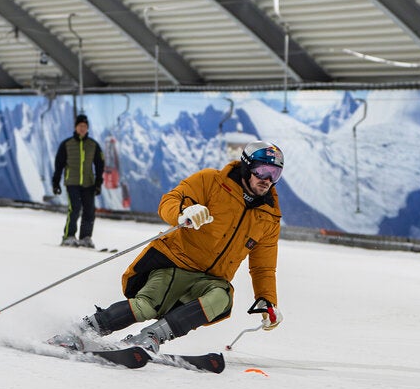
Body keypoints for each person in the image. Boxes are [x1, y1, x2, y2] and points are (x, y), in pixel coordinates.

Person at [50, 141, 285, 354]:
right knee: (146, 307)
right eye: (261, 170)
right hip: (176, 263)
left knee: (222, 297)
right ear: (246, 167)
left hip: (210, 279)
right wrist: (183, 213)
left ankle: (150, 337)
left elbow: (263, 266)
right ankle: (81, 330)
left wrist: (266, 300)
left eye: (274, 173)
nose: (266, 179)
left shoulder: (269, 215)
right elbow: (169, 202)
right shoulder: (211, 182)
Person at [52, 113, 104, 248]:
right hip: (72, 182)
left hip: (89, 183)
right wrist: (56, 182)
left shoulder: (93, 145)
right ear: (76, 127)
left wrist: (98, 183)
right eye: (80, 126)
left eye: (85, 126)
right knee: (74, 208)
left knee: (89, 210)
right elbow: (59, 164)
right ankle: (68, 236)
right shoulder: (67, 144)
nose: (82, 128)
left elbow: (99, 165)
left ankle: (85, 237)